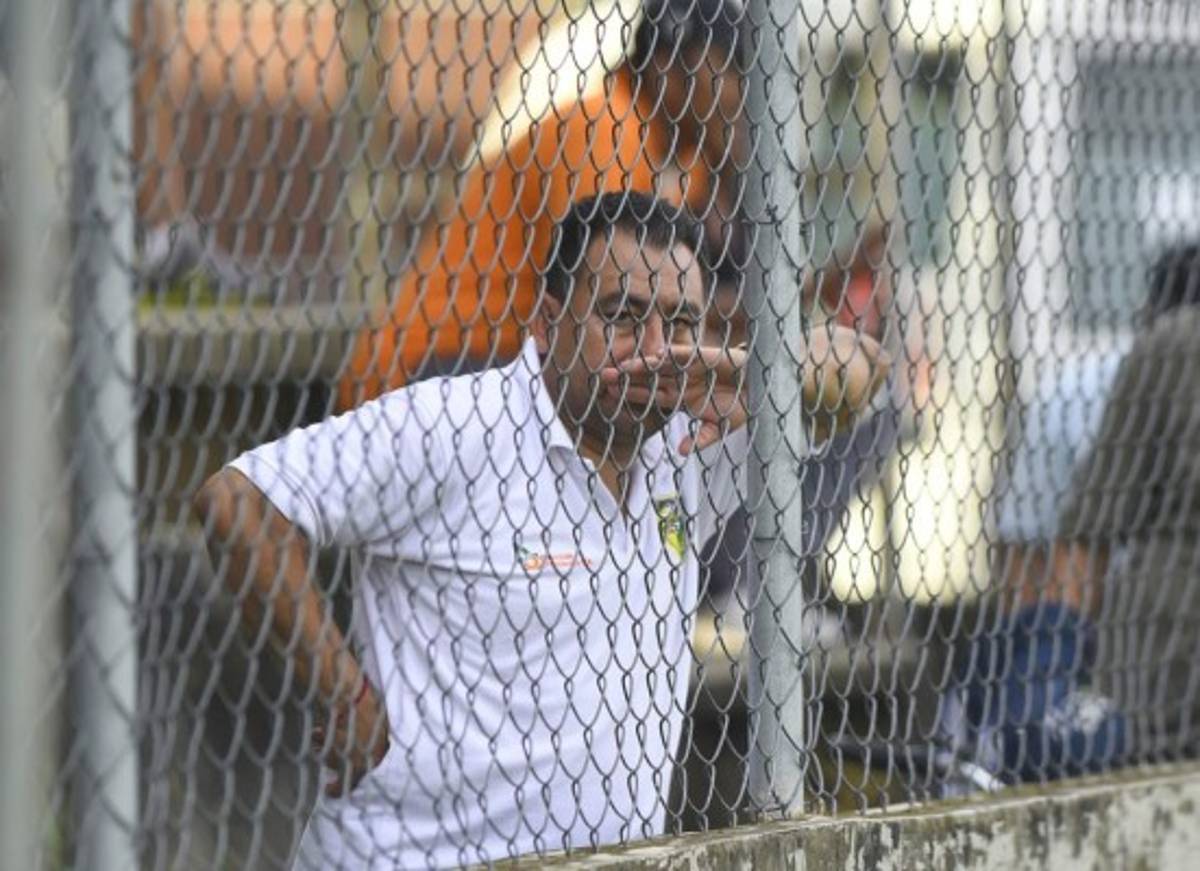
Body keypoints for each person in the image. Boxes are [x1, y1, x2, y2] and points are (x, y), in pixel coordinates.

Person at [194, 192, 889, 867]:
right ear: (550, 322)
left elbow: (862, 369)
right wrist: (343, 693)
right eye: (622, 317)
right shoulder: (456, 424)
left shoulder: (691, 443)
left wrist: (758, 375)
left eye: (679, 323)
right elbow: (237, 502)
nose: (653, 351)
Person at [336, 0, 748, 408]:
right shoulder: (606, 127)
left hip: (512, 357)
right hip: (442, 358)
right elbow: (605, 297)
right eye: (729, 70)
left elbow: (649, 307)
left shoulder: (682, 159)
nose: (740, 94)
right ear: (672, 65)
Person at [945, 243, 1200, 784]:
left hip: (1144, 668)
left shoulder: (1104, 374)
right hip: (1149, 663)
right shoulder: (1139, 366)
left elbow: (1036, 556)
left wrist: (1044, 675)